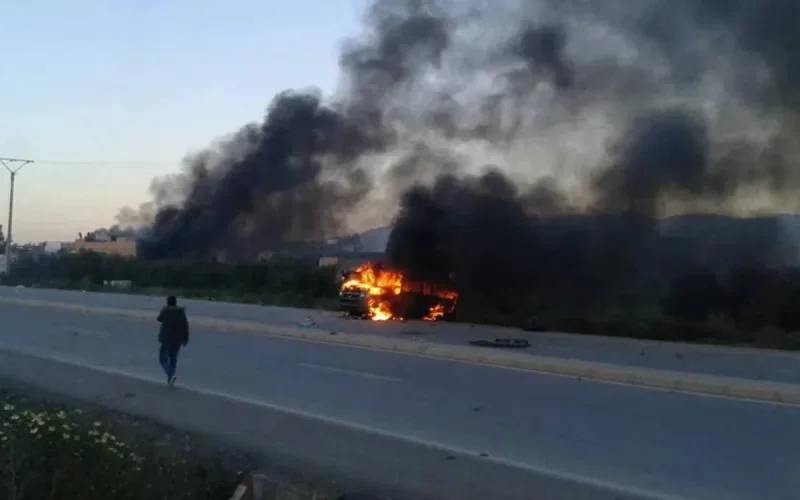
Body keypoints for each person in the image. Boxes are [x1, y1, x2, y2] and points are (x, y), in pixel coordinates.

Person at [156, 295, 189, 388]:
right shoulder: (180, 312)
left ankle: (170, 375)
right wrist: (185, 339)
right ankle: (171, 378)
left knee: (162, 359)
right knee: (173, 359)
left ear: (167, 302)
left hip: (166, 339)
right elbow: (185, 326)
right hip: (177, 339)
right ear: (175, 302)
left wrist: (164, 309)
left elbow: (159, 319)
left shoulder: (165, 311)